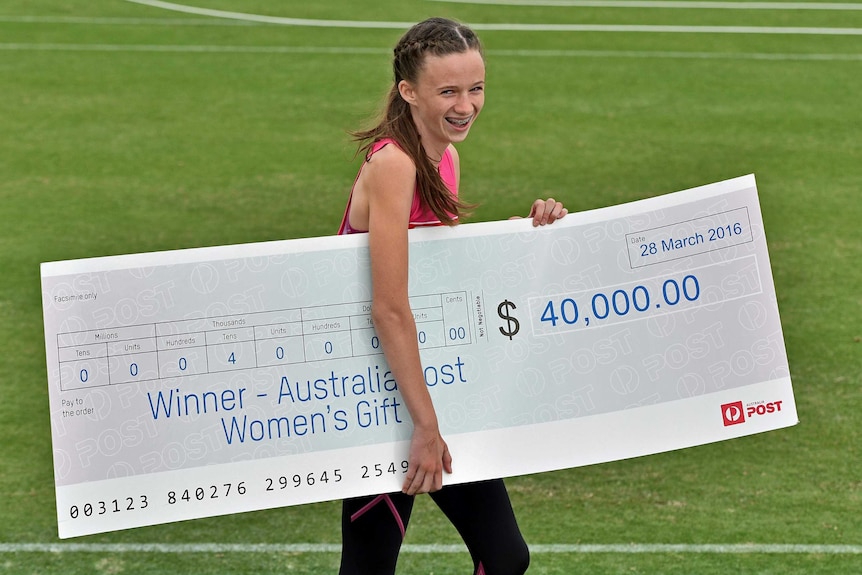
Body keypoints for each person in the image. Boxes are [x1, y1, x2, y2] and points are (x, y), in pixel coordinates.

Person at [336, 17, 567, 575]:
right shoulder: (394, 165)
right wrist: (425, 426)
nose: (466, 105)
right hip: (380, 395)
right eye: (448, 91)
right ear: (408, 91)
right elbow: (388, 306)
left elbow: (441, 270)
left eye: (476, 88)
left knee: (505, 557)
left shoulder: (445, 157)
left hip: (429, 383)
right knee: (370, 566)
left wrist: (526, 233)